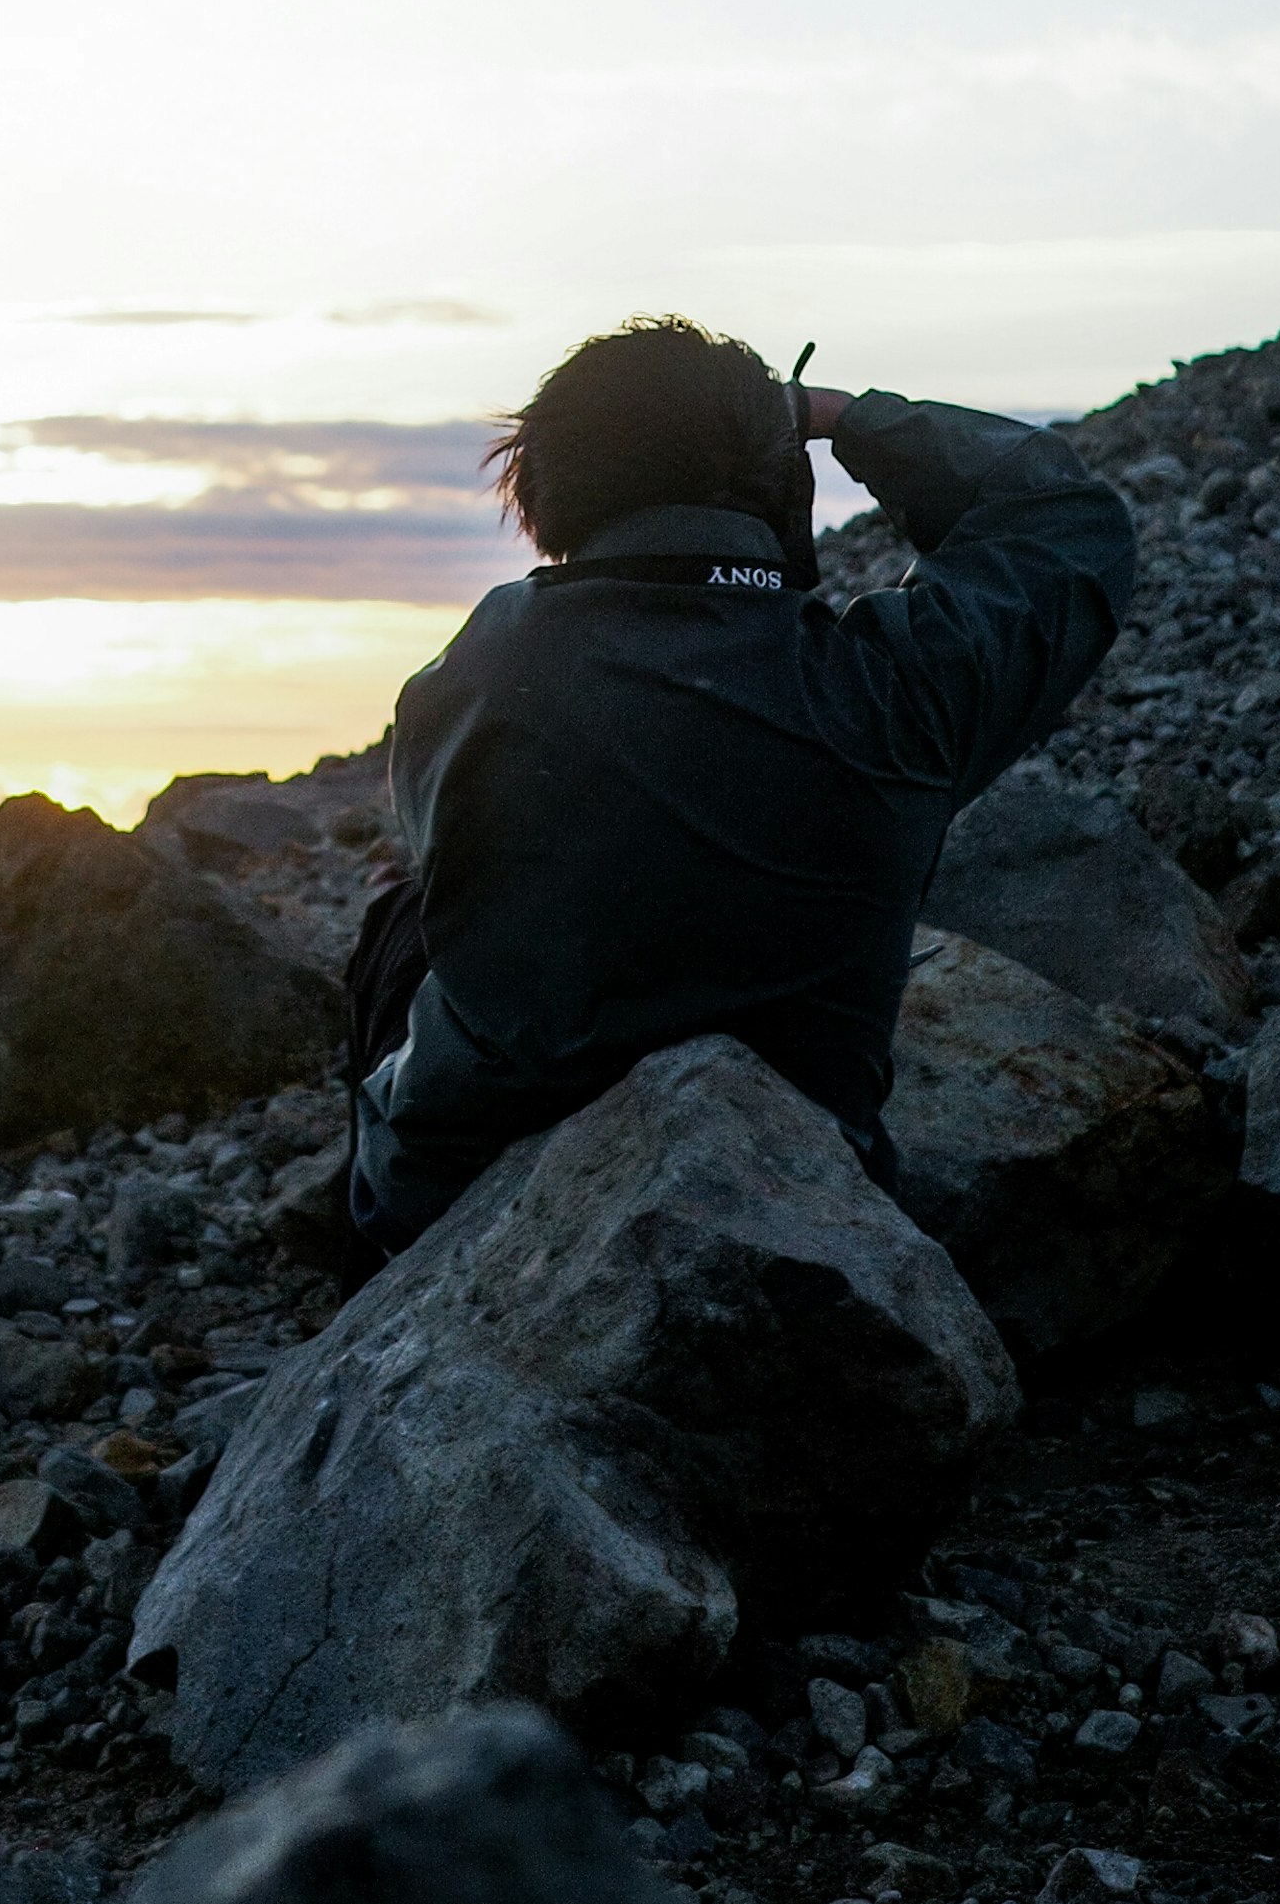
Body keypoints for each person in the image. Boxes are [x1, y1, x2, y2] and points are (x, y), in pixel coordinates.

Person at [344, 312, 1130, 1261]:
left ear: (549, 499)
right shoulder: (891, 693)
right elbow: (1062, 515)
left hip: (457, 1191)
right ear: (785, 481)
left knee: (400, 922)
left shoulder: (461, 679)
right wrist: (837, 416)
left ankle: (370, 1277)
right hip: (795, 1213)